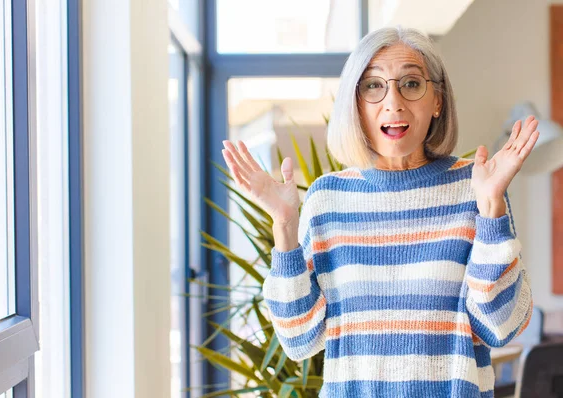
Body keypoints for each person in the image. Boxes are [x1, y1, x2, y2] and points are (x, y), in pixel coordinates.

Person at [220, 26, 538, 398]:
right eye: (373, 86)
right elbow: (299, 340)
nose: (393, 102)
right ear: (354, 104)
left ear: (437, 99)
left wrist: (492, 209)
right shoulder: (327, 199)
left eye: (411, 83)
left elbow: (501, 327)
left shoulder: (476, 187)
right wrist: (286, 226)